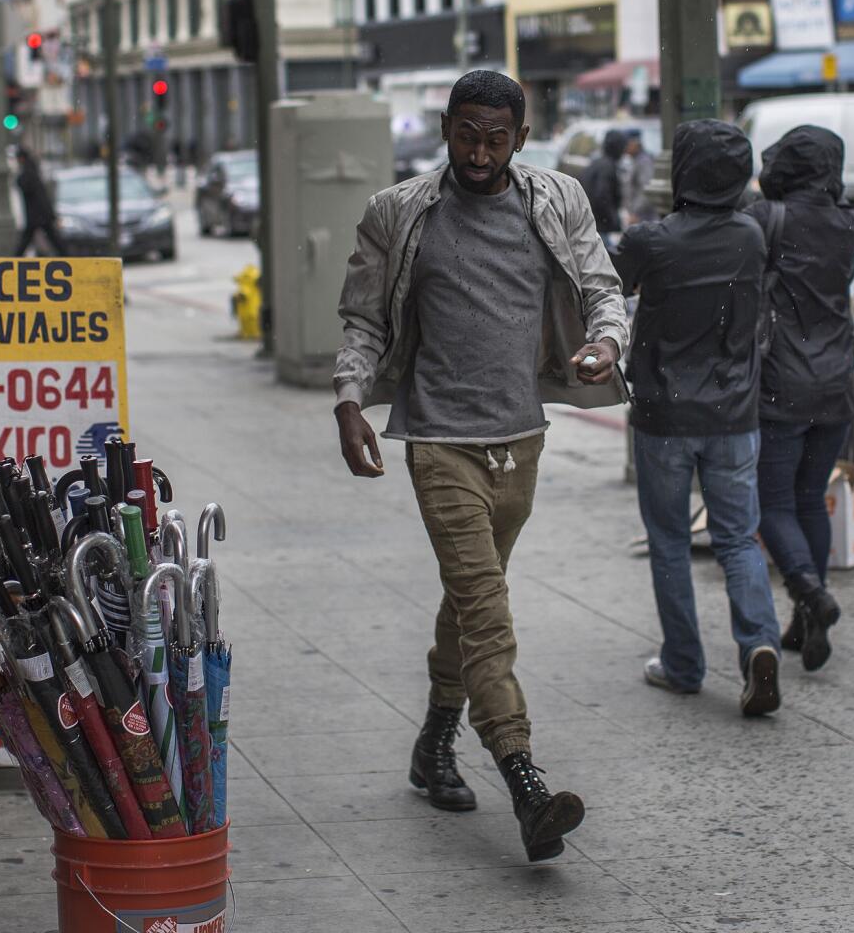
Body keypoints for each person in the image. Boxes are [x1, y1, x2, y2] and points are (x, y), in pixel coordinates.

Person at [333, 70, 630, 862]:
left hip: (519, 439)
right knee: (487, 611)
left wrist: (605, 343)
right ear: (444, 127)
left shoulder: (557, 199)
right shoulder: (397, 213)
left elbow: (603, 289)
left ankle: (432, 740)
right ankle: (522, 776)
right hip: (436, 441)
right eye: (465, 133)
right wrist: (349, 400)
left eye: (495, 138)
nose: (478, 151)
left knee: (469, 599)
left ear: (520, 141)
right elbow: (362, 319)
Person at [613, 119, 782, 717]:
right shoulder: (751, 236)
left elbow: (609, 280)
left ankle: (684, 664)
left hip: (665, 413)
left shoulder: (653, 240)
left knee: (669, 540)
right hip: (735, 412)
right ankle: (759, 643)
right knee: (738, 538)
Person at [745, 126, 854, 672]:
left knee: (769, 504)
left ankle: (809, 592)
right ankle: (806, 617)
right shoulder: (852, 225)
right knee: (809, 499)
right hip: (836, 386)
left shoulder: (768, 218)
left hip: (783, 384)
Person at [14, 146, 66, 256]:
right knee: (53, 239)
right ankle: (68, 257)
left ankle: (14, 260)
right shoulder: (32, 170)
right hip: (41, 214)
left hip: (36, 214)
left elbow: (26, 187)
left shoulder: (28, 172)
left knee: (27, 240)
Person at [579, 129, 627, 234]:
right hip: (600, 226)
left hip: (591, 222)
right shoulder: (607, 167)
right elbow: (602, 196)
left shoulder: (596, 163)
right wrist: (614, 221)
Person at [622, 133, 656, 224]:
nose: (625, 147)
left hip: (643, 217)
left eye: (627, 144)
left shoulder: (644, 162)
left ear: (635, 144)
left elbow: (646, 189)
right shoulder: (636, 160)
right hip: (638, 216)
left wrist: (636, 213)